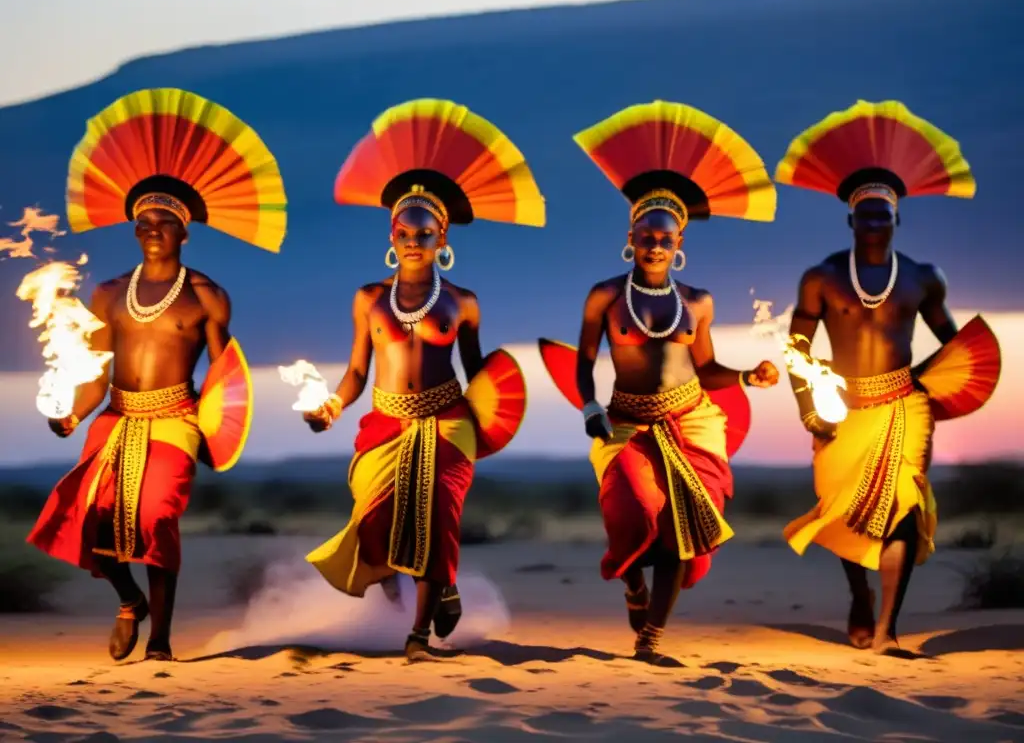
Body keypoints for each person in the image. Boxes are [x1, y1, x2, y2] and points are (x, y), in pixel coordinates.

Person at [26, 88, 287, 661]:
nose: (152, 227)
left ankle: (162, 644)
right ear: (133, 227)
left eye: (164, 219)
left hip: (176, 419)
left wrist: (221, 432)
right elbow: (96, 370)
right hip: (116, 416)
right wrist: (74, 411)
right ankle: (129, 603)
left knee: (157, 518)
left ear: (184, 230)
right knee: (89, 515)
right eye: (143, 219)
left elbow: (225, 374)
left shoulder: (207, 297)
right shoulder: (108, 293)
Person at [302, 98, 544, 662]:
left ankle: (417, 638)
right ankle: (431, 587)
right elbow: (358, 370)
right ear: (392, 234)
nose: (415, 240)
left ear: (443, 240)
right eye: (406, 230)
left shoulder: (463, 303)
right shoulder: (368, 299)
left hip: (449, 420)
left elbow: (480, 371)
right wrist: (333, 407)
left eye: (426, 232)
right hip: (385, 420)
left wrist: (503, 410)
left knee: (438, 516)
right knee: (376, 517)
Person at [539, 100, 780, 664]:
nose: (654, 245)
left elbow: (706, 367)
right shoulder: (604, 295)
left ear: (679, 245)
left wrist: (748, 373)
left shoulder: (697, 302)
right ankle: (632, 586)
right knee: (630, 508)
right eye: (645, 234)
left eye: (665, 238)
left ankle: (650, 640)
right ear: (630, 234)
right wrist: (590, 406)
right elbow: (584, 360)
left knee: (681, 527)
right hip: (625, 421)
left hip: (691, 419)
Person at [774, 100, 996, 655]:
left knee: (902, 512)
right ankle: (859, 597)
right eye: (866, 213)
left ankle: (888, 631)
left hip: (904, 406)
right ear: (851, 218)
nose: (875, 221)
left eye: (884, 213)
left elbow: (951, 340)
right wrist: (810, 408)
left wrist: (945, 377)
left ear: (899, 218)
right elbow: (797, 347)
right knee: (842, 510)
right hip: (840, 409)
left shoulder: (923, 278)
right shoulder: (821, 278)